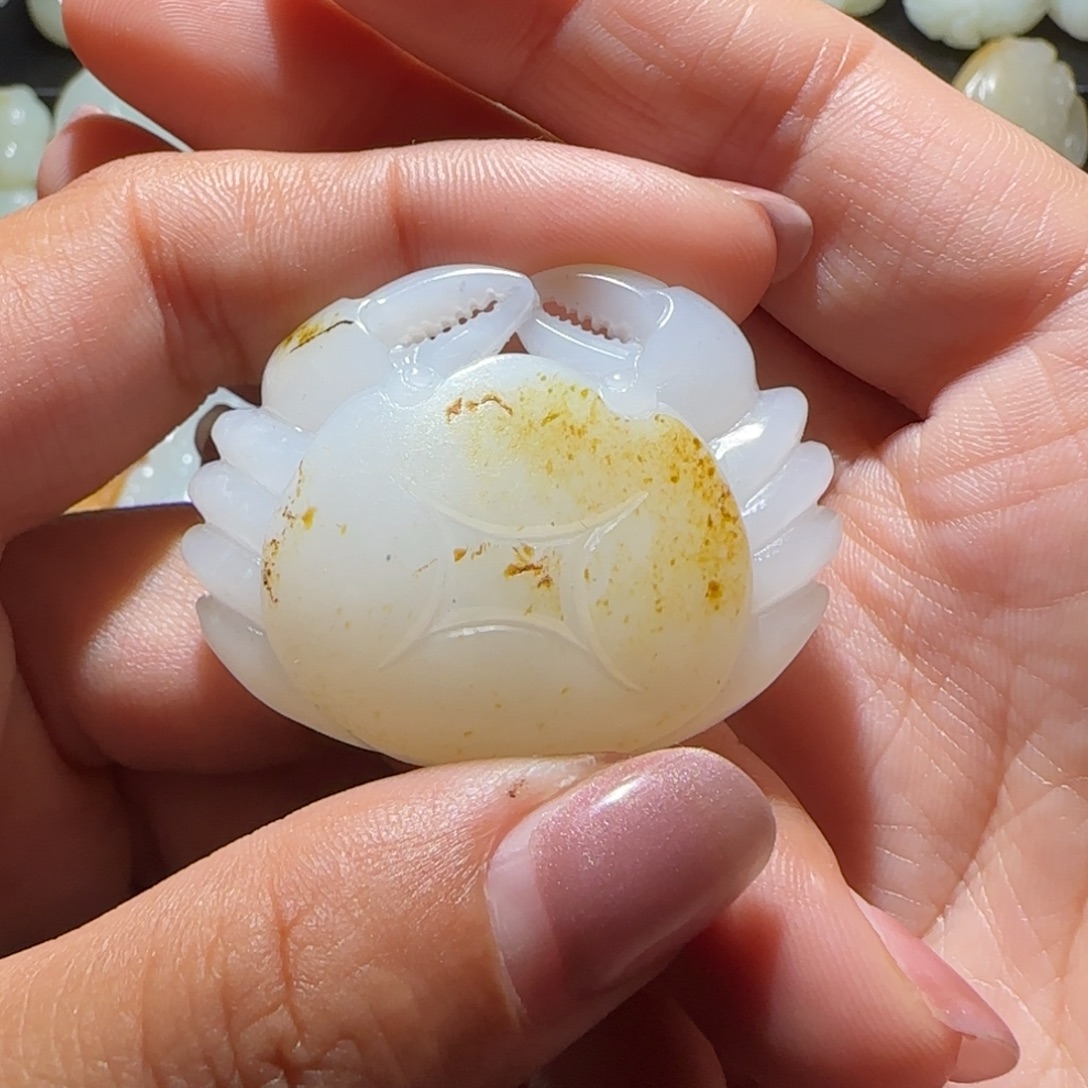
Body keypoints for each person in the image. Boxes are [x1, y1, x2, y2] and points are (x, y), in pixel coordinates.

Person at [0, 0, 1080, 1083]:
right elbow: (783, 498)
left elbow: (239, 523)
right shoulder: (721, 486)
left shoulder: (302, 501)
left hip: (377, 675)